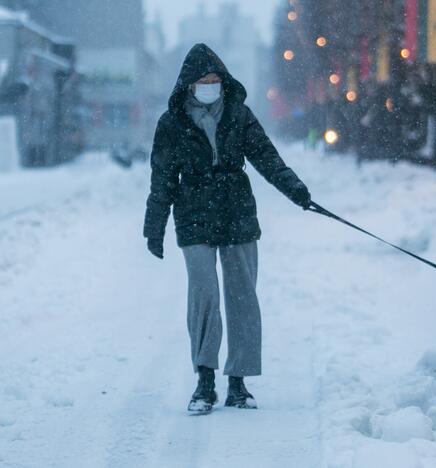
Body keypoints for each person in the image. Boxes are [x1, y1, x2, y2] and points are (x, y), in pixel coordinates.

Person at [143, 44, 312, 415]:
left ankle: (239, 382)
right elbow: (163, 179)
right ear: (188, 84)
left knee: (242, 296)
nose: (209, 86)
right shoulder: (170, 124)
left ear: (223, 82)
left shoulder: (239, 114)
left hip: (236, 210)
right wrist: (154, 226)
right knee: (203, 296)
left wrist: (296, 190)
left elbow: (268, 158)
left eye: (215, 80)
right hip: (193, 212)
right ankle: (205, 380)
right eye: (203, 81)